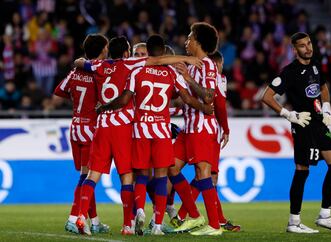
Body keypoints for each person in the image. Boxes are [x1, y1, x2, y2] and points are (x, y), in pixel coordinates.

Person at [74, 35, 203, 235]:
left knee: (93, 175)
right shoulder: (131, 66)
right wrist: (187, 60)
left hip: (108, 126)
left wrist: (80, 63)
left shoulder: (99, 66)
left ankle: (81, 216)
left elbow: (82, 63)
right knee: (130, 176)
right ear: (127, 53)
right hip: (128, 127)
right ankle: (132, 225)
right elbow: (159, 63)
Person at [262, 32, 331, 233]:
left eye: (309, 43)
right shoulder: (289, 72)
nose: (308, 48)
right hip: (302, 124)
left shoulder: (316, 65)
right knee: (302, 171)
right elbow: (266, 97)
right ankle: (294, 221)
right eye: (302, 45)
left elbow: (323, 87)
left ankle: (325, 215)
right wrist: (288, 115)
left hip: (319, 122)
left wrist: (326, 107)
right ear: (295, 50)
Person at [53, 34, 110, 234]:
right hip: (90, 129)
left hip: (75, 127)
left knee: (86, 176)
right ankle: (72, 218)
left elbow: (59, 91)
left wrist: (78, 100)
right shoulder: (100, 72)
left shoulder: (76, 70)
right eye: (106, 47)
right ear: (103, 49)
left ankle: (94, 222)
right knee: (88, 178)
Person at [170, 22, 222, 236]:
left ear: (199, 42)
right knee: (169, 167)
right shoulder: (191, 66)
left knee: (203, 173)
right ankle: (194, 215)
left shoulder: (207, 65)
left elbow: (209, 97)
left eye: (190, 37)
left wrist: (188, 79)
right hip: (188, 128)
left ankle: (214, 226)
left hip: (202, 128)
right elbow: (189, 99)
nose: (186, 41)